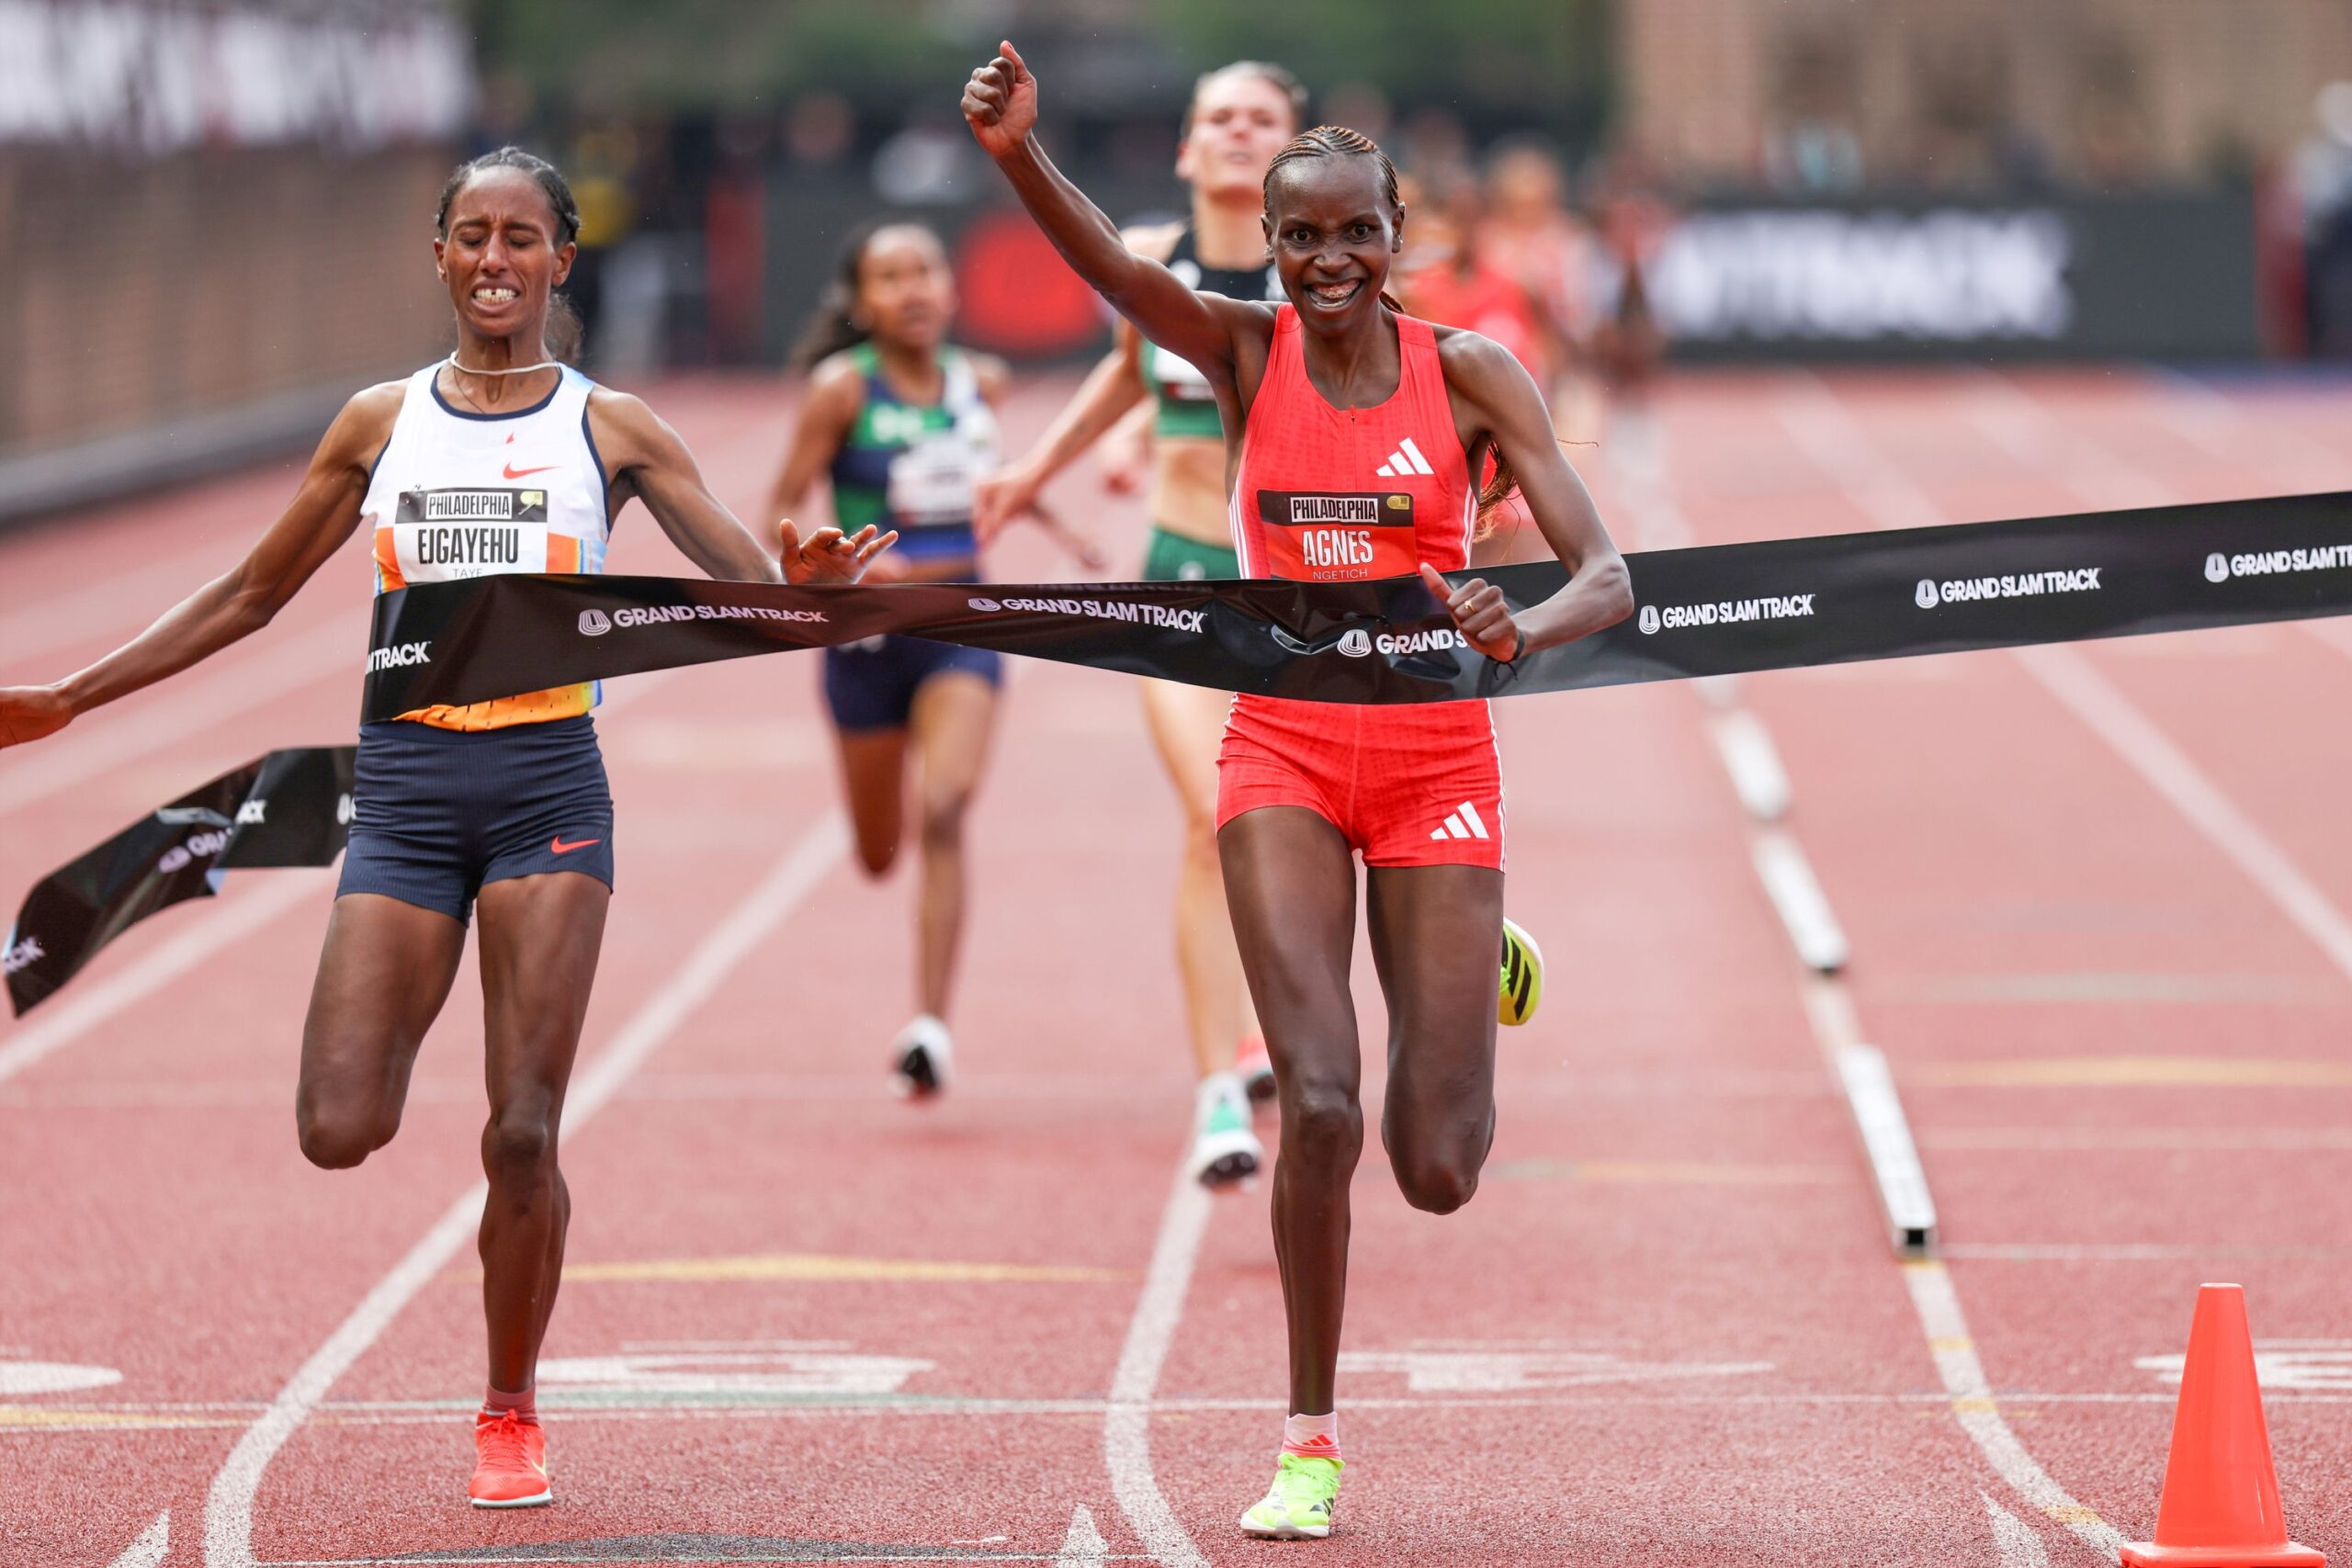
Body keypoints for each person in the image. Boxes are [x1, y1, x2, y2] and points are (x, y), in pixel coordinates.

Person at [0, 147, 891, 1509]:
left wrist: (804, 585)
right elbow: (249, 593)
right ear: (437, 256)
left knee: (523, 1128)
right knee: (335, 1122)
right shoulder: (378, 422)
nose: (494, 258)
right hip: (409, 795)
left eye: (519, 236)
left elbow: (750, 588)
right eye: (470, 234)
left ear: (559, 260)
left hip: (548, 791)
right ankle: (496, 1354)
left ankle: (509, 1404)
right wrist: (72, 692)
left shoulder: (616, 428)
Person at [962, 47, 1631, 1542]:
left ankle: (1479, 946)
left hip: (1438, 761)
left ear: (1401, 238)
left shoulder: (1471, 372)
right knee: (1318, 1102)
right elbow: (1111, 277)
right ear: (1271, 246)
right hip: (1284, 751)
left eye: (1356, 233)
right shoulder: (1243, 352)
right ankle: (1309, 1441)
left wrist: (1531, 620)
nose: (1330, 261)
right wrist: (1019, 156)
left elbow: (1608, 569)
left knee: (1439, 1168)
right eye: (1303, 236)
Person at [974, 61, 1306, 1187]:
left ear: (1293, 146)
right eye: (1217, 116)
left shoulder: (1321, 266)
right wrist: (1032, 472)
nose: (1235, 132)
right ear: (1183, 145)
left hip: (1300, 595)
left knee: (1287, 831)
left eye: (1260, 119)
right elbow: (1124, 375)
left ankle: (1273, 1033)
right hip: (1179, 583)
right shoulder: (1155, 262)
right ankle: (1220, 1085)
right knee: (1218, 813)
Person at [765, 221, 1011, 1097]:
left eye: (925, 271)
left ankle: (931, 1026)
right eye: (890, 276)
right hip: (863, 636)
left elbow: (998, 482)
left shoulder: (984, 383)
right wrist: (822, 563)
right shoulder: (840, 392)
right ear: (863, 301)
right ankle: (925, 1003)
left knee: (943, 805)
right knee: (878, 851)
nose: (911, 289)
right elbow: (781, 508)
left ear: (950, 287)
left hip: (958, 623)